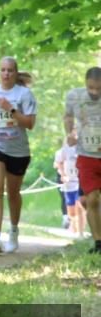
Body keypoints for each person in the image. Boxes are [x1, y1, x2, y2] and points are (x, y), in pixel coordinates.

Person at [0, 57, 36, 253]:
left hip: (18, 149)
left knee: (13, 193)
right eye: (3, 70)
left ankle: (13, 231)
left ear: (15, 72)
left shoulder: (24, 94)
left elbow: (29, 123)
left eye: (10, 70)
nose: (6, 74)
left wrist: (9, 109)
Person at [64, 67, 101, 253]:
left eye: (98, 89)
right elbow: (68, 116)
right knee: (91, 199)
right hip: (86, 156)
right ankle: (98, 243)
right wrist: (70, 133)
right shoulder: (74, 97)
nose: (94, 92)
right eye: (91, 88)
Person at [57, 138, 84, 238]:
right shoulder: (63, 151)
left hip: (79, 182)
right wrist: (63, 175)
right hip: (68, 185)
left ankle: (80, 232)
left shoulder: (81, 148)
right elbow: (58, 163)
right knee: (71, 210)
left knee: (80, 205)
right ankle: (73, 224)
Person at [54, 144, 71, 229]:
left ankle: (72, 219)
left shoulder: (74, 151)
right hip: (61, 178)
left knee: (73, 198)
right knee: (64, 198)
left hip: (72, 177)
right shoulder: (59, 152)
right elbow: (55, 165)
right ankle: (65, 218)